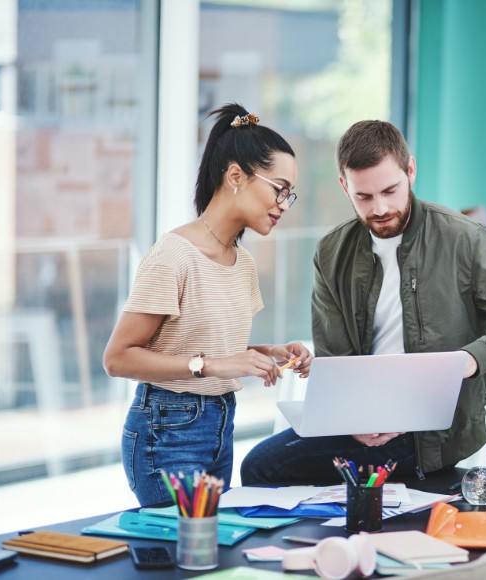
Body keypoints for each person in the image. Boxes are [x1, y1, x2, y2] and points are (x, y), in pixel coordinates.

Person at [241, 120, 486, 484]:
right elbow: (335, 355)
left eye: (390, 190)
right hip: (361, 417)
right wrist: (352, 417)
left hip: (433, 434)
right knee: (260, 465)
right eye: (364, 197)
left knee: (263, 468)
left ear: (411, 170)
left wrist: (471, 359)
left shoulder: (464, 240)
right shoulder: (331, 252)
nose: (379, 208)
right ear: (345, 187)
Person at [103, 103, 313, 506]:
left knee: (208, 556)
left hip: (220, 424)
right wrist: (213, 366)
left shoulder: (243, 263)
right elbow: (118, 359)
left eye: (290, 194)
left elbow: (205, 345)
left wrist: (266, 353)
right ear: (236, 175)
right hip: (167, 431)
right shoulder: (173, 256)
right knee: (183, 557)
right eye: (279, 189)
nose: (284, 204)